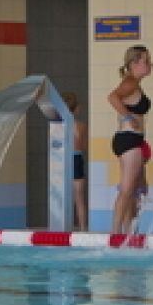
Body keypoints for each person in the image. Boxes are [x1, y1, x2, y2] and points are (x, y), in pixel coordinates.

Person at [106, 46, 153, 235]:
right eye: (147, 61)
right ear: (135, 63)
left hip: (131, 141)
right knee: (127, 190)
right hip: (129, 140)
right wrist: (127, 117)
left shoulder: (135, 83)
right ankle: (116, 233)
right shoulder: (130, 82)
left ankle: (129, 232)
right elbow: (112, 97)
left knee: (133, 190)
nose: (151, 65)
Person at [62, 91, 88, 231]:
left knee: (65, 197)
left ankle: (65, 228)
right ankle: (83, 229)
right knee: (79, 198)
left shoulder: (59, 125)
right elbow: (84, 146)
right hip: (77, 158)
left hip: (63, 159)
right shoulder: (81, 125)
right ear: (76, 108)